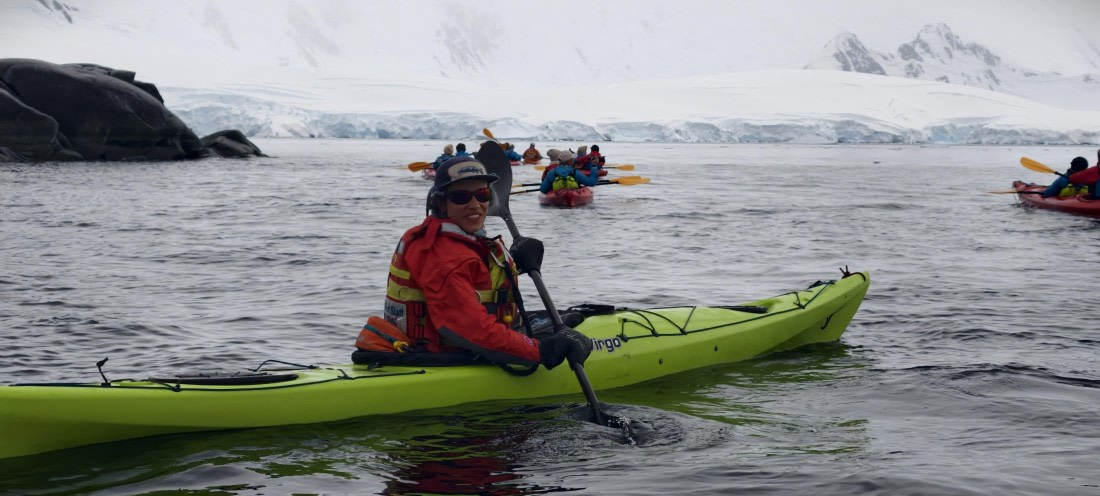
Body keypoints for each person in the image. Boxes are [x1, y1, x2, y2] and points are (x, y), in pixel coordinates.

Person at [383, 156, 593, 369]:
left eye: (482, 195)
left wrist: (513, 265)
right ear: (440, 203)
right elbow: (468, 329)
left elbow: (471, 284)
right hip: (446, 354)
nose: (475, 205)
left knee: (573, 318)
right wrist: (542, 351)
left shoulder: (438, 237)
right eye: (460, 197)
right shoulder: (446, 257)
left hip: (436, 343)